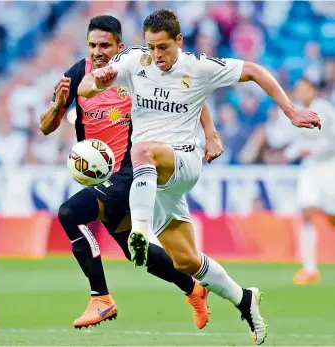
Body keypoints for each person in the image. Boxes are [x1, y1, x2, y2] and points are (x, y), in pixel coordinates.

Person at [78, 9, 321, 345]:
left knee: (141, 151)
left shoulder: (199, 67)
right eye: (151, 47)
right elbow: (88, 83)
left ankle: (140, 231)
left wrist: (290, 110)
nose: (157, 55)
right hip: (155, 182)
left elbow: (253, 70)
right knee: (186, 260)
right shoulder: (135, 61)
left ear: (179, 40)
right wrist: (94, 85)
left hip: (183, 161)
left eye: (163, 47)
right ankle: (244, 298)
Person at [40, 15, 221, 330]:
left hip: (134, 168)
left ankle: (101, 299)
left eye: (105, 45)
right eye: (93, 45)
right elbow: (45, 128)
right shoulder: (78, 75)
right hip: (102, 176)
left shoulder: (141, 66)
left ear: (119, 46)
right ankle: (194, 288)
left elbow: (190, 91)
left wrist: (211, 134)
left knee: (70, 213)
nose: (98, 51)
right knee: (136, 253)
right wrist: (57, 107)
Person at [281, 78, 335, 284]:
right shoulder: (295, 112)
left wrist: (311, 150)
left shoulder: (326, 110)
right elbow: (296, 142)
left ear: (313, 90)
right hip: (310, 169)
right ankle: (310, 269)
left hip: (329, 167)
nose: (301, 92)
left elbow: (332, 141)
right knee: (307, 212)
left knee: (332, 218)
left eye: (304, 89)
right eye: (298, 89)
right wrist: (290, 153)